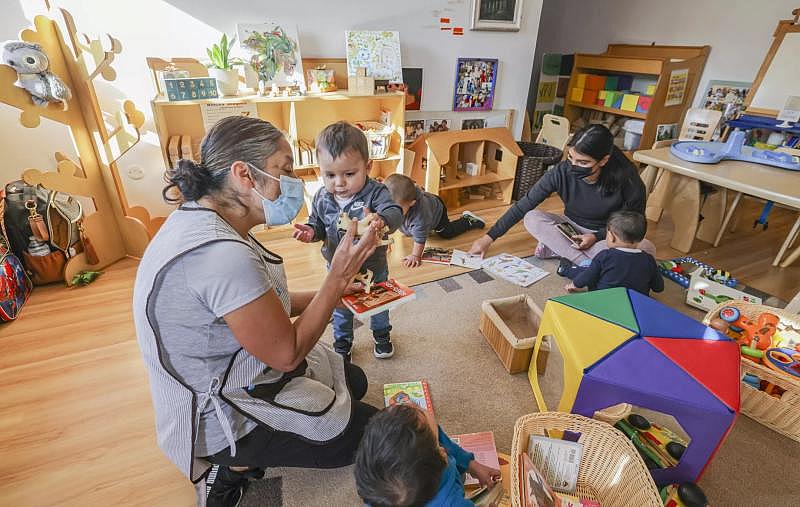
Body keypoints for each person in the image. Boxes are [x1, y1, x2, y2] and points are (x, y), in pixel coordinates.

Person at [133, 116, 382, 507]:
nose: (294, 181)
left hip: (231, 368)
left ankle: (244, 458)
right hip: (222, 413)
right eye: (284, 169)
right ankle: (233, 464)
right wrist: (335, 280)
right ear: (243, 174)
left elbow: (259, 305)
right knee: (370, 432)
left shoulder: (202, 219)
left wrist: (329, 290)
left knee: (354, 381)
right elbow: (287, 353)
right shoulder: (220, 256)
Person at [469, 124, 656, 268]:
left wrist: (596, 236)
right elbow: (524, 205)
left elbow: (635, 223)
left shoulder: (628, 179)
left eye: (583, 162)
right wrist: (487, 238)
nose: (573, 166)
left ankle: (559, 249)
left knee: (646, 249)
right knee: (532, 217)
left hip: (604, 236)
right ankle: (584, 264)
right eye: (571, 158)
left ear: (604, 160)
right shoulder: (561, 172)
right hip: (568, 228)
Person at [293, 121, 403, 359]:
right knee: (340, 307)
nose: (339, 183)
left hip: (373, 268)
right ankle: (343, 341)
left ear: (368, 167)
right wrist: (311, 232)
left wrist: (381, 220)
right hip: (338, 268)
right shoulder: (322, 196)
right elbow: (318, 224)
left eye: (349, 174)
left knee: (378, 305)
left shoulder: (376, 192)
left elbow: (395, 212)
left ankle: (382, 335)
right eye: (329, 175)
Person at [354, 403, 501, 507]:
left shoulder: (375, 490)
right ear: (442, 455)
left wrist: (472, 465)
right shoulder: (454, 503)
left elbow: (438, 438)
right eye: (438, 443)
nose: (411, 402)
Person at [383, 173, 485, 268]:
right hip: (426, 207)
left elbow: (420, 239)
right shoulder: (391, 203)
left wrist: (415, 255)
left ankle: (468, 220)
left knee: (447, 233)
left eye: (397, 208)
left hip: (437, 211)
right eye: (389, 207)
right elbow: (385, 224)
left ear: (411, 203)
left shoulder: (420, 216)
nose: (392, 211)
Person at [563, 210, 665, 296]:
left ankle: (565, 270)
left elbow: (588, 276)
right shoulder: (648, 260)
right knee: (591, 268)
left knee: (587, 270)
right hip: (635, 303)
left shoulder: (605, 256)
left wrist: (575, 285)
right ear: (641, 238)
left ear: (611, 236)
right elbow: (658, 288)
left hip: (604, 298)